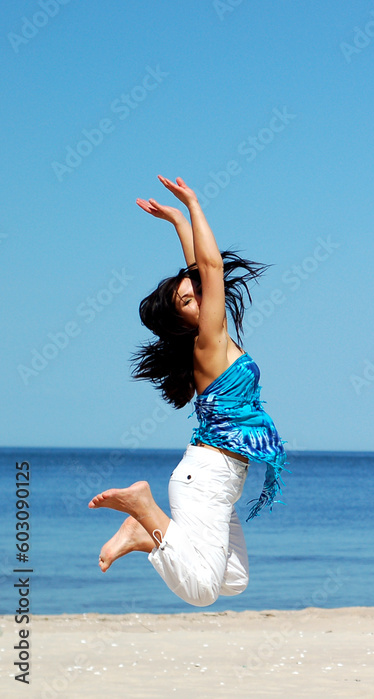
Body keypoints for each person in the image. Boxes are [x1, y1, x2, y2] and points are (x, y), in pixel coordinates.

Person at [89, 175, 288, 607]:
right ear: (182, 322)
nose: (199, 295)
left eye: (196, 292)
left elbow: (202, 270)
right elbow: (211, 268)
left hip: (221, 479)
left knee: (233, 581)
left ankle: (146, 533)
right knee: (201, 592)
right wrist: (194, 203)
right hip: (206, 476)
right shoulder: (207, 343)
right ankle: (144, 509)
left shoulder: (220, 338)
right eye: (187, 301)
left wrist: (179, 222)